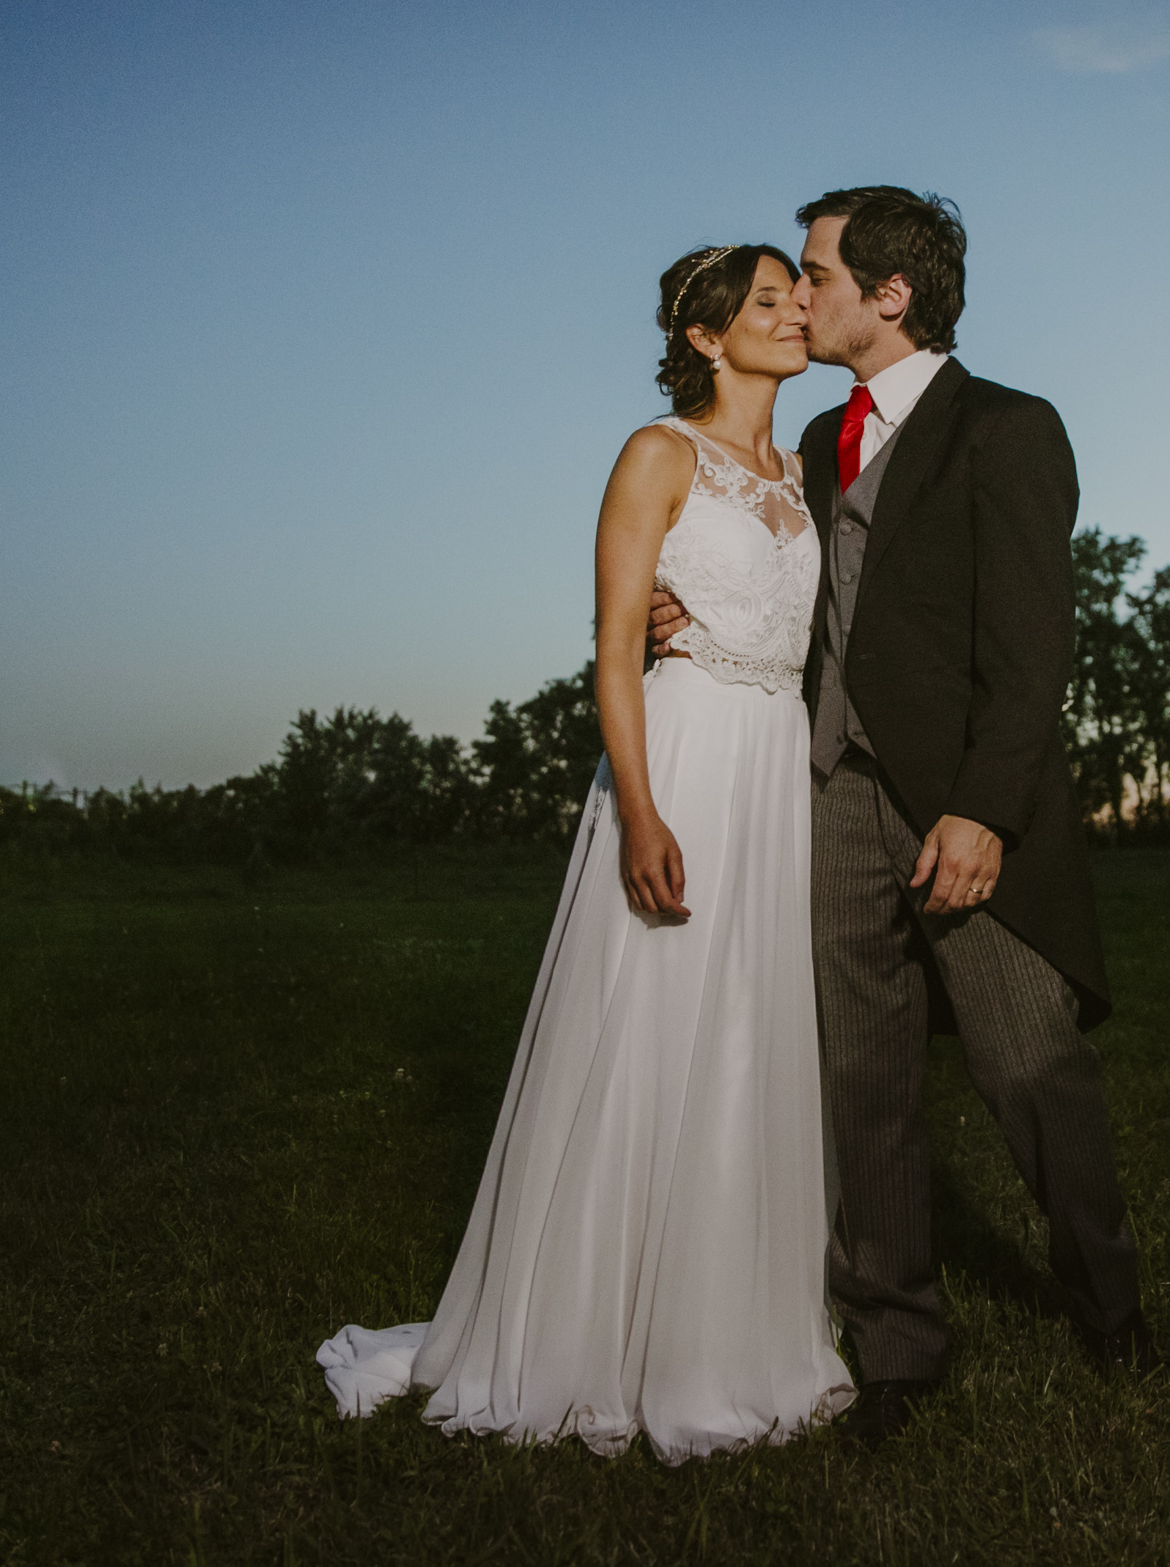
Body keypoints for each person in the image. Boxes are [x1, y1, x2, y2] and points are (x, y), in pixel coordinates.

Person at [315, 244, 854, 1463]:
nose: (792, 310)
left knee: (749, 1032)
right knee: (652, 1019)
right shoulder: (658, 452)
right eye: (765, 300)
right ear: (708, 337)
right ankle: (595, 1332)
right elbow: (614, 644)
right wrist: (644, 810)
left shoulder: (804, 466)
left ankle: (729, 1321)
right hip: (681, 753)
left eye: (792, 293)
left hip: (775, 763)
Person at [652, 187, 1169, 1447]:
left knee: (1028, 1064)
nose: (799, 294)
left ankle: (1111, 1308)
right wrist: (685, 616)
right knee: (860, 1079)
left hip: (956, 810)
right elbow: (787, 588)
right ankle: (895, 1346)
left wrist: (984, 809)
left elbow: (1032, 645)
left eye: (817, 274)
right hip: (827, 800)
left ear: (889, 295)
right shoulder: (817, 435)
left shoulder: (1008, 428)